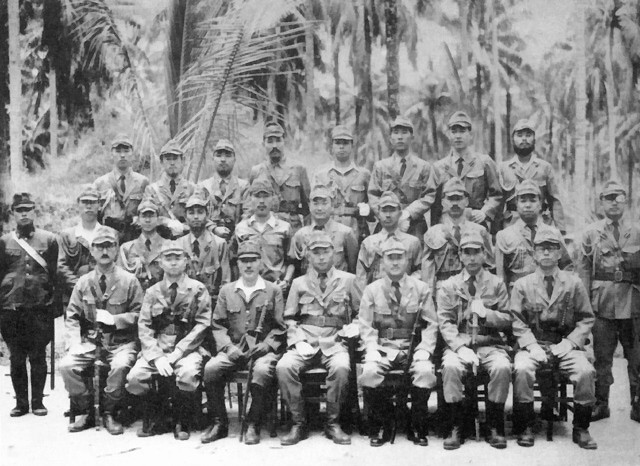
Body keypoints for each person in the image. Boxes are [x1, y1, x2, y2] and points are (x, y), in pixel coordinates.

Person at [511, 226, 597, 449]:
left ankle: (581, 428)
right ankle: (526, 426)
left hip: (565, 344)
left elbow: (586, 318)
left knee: (585, 371)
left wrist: (570, 343)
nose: (546, 253)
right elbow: (517, 322)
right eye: (541, 249)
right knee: (521, 369)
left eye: (551, 248)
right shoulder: (522, 285)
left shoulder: (573, 282)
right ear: (534, 253)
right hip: (534, 344)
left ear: (560, 253)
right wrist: (531, 346)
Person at [276, 231, 361, 446]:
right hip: (306, 342)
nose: (321, 257)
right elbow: (289, 318)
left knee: (341, 368)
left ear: (333, 253)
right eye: (316, 253)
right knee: (284, 367)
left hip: (335, 342)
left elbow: (362, 314)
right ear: (308, 256)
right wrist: (297, 341)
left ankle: (333, 422)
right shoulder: (298, 283)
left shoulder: (349, 280)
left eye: (326, 252)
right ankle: (299, 423)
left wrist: (354, 327)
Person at [201, 241, 286, 445]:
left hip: (261, 351)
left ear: (260, 262)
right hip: (234, 349)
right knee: (211, 368)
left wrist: (267, 345)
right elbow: (218, 325)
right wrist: (228, 348)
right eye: (244, 261)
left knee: (263, 371)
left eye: (253, 260)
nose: (248, 266)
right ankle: (219, 423)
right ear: (237, 264)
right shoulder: (227, 291)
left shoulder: (273, 290)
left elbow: (280, 327)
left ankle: (253, 423)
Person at [60, 226, 143, 434]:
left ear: (116, 249)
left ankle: (109, 411)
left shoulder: (129, 280)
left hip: (121, 343)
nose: (104, 251)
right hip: (90, 342)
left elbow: (140, 314)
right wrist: (73, 343)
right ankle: (87, 409)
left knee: (120, 365)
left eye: (109, 246)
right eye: (99, 247)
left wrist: (116, 319)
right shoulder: (83, 282)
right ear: (92, 251)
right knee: (66, 365)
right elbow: (71, 315)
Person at [126, 241, 212, 440]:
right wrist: (156, 357)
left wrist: (178, 352)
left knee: (188, 375)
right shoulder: (152, 292)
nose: (173, 263)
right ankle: (158, 415)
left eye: (178, 258)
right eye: (168, 258)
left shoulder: (198, 289)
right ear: (160, 263)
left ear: (186, 261)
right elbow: (144, 326)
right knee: (135, 379)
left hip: (187, 348)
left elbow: (202, 325)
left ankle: (181, 419)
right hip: (157, 349)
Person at [437, 231, 511, 450]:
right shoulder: (449, 285)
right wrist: (459, 348)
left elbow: (508, 318)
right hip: (459, 345)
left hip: (489, 343)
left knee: (502, 366)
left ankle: (494, 425)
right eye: (466, 253)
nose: (471, 258)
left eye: (476, 252)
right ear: (460, 255)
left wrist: (488, 314)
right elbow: (445, 322)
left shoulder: (496, 284)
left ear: (484, 254)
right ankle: (456, 425)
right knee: (450, 366)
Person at [359, 239, 438, 447]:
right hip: (383, 348)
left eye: (399, 258)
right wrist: (371, 348)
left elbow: (431, 325)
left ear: (407, 260)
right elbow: (365, 325)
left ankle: (416, 424)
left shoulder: (421, 289)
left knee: (425, 372)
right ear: (382, 262)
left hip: (412, 349)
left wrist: (425, 349)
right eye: (390, 258)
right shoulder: (372, 290)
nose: (395, 263)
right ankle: (385, 422)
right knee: (368, 373)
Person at [578, 180, 640, 422]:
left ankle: (638, 403)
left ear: (626, 201)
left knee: (636, 358)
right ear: (601, 202)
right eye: (609, 197)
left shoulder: (637, 231)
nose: (614, 201)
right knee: (602, 358)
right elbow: (584, 272)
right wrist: (584, 307)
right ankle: (601, 403)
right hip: (602, 304)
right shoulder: (590, 233)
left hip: (633, 302)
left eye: (619, 197)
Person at [0, 193, 60, 417]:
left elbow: (56, 274)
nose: (24, 213)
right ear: (13, 214)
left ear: (35, 212)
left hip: (39, 307)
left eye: (28, 209)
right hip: (11, 308)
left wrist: (55, 305)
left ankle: (37, 402)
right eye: (19, 210)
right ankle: (21, 403)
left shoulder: (49, 240)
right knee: (16, 356)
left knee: (37, 355)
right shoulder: (4, 242)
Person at [368, 116, 438, 239]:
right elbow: (373, 196)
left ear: (412, 137)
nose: (400, 137)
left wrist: (408, 213)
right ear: (390, 139)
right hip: (387, 224)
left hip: (415, 225)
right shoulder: (381, 167)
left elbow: (429, 195)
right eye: (396, 133)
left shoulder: (423, 167)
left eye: (404, 132)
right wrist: (389, 216)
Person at [496, 180, 572, 290]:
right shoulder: (504, 236)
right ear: (516, 204)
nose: (527, 205)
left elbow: (567, 266)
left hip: (548, 296)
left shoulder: (554, 233)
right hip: (517, 298)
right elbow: (501, 279)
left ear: (540, 204)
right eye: (523, 201)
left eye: (532, 200)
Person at [432, 111, 502, 228]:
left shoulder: (484, 162)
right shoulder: (439, 167)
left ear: (471, 134)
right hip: (447, 224)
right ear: (448, 135)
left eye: (462, 131)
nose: (458, 136)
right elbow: (435, 206)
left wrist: (484, 212)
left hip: (475, 221)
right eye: (454, 132)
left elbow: (497, 195)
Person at [421, 177, 493, 290]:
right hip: (443, 288)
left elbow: (489, 266)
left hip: (473, 287)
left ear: (467, 201)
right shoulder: (433, 233)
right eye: (450, 199)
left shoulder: (480, 231)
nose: (455, 203)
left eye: (459, 198)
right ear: (443, 202)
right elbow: (428, 271)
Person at [498, 119, 565, 232]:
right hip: (512, 225)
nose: (524, 139)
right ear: (513, 139)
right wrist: (496, 232)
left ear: (534, 139)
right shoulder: (503, 168)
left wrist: (561, 230)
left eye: (528, 135)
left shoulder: (545, 167)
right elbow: (498, 202)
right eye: (519, 135)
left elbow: (555, 200)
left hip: (540, 224)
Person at [313, 125, 373, 242]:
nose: (341, 147)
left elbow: (374, 207)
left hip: (357, 229)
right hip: (329, 229)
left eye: (345, 143)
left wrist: (366, 209)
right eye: (338, 143)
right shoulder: (321, 175)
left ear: (352, 146)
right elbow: (313, 206)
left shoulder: (363, 174)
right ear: (332, 146)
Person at [233, 179, 294, 294]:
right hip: (249, 289)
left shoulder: (284, 228)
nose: (261, 201)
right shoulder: (241, 229)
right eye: (257, 196)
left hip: (276, 288)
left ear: (273, 198)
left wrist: (286, 281)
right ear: (250, 198)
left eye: (266, 196)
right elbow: (234, 262)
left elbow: (291, 261)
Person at [249, 122, 310, 232]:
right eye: (270, 141)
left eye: (278, 140)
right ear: (263, 143)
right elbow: (250, 206)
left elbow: (308, 209)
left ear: (284, 141)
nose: (274, 146)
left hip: (293, 227)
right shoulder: (257, 171)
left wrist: (307, 233)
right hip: (266, 229)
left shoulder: (298, 169)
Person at [356, 191, 422, 289]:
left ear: (400, 213)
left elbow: (420, 271)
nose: (388, 215)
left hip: (405, 296)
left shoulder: (412, 242)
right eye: (384, 210)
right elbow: (361, 278)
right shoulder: (369, 243)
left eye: (392, 210)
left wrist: (406, 286)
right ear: (378, 213)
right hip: (376, 297)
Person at [289, 185, 358, 275]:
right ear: (309, 205)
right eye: (316, 203)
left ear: (332, 205)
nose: (319, 208)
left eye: (324, 203)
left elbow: (353, 268)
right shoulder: (301, 235)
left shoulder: (345, 233)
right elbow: (295, 267)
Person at [93, 134, 149, 243]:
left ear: (132, 153)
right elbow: (94, 216)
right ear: (111, 154)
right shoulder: (100, 183)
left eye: (126, 151)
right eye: (118, 151)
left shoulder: (143, 182)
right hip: (108, 238)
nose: (122, 155)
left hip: (135, 238)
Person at [176, 195, 230, 301]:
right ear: (186, 217)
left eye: (200, 212)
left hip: (212, 301)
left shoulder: (219, 244)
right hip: (185, 302)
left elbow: (225, 282)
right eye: (191, 213)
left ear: (207, 216)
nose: (196, 217)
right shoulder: (179, 245)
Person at [196, 138, 249, 240]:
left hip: (237, 239)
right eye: (219, 155)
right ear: (213, 159)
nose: (223, 159)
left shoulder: (243, 187)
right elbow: (196, 214)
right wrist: (214, 229)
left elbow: (248, 214)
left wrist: (237, 232)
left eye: (228, 155)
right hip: (209, 240)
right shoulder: (203, 187)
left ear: (234, 159)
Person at [143, 140, 195, 237]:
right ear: (162, 162)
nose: (172, 163)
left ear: (182, 161)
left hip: (185, 241)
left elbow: (200, 218)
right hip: (159, 241)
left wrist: (184, 227)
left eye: (175, 159)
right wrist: (165, 221)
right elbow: (144, 219)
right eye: (168, 159)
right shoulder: (151, 190)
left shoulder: (192, 189)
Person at [57, 187, 103, 298]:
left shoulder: (109, 234)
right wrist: (79, 287)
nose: (88, 206)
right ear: (78, 204)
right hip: (73, 295)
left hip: (103, 294)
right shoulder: (67, 235)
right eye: (85, 202)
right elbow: (61, 266)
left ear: (99, 205)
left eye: (92, 202)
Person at [118, 200, 168, 291]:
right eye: (144, 216)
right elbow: (120, 279)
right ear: (138, 220)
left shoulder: (168, 246)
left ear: (158, 219)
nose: (147, 220)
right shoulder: (126, 248)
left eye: (151, 216)